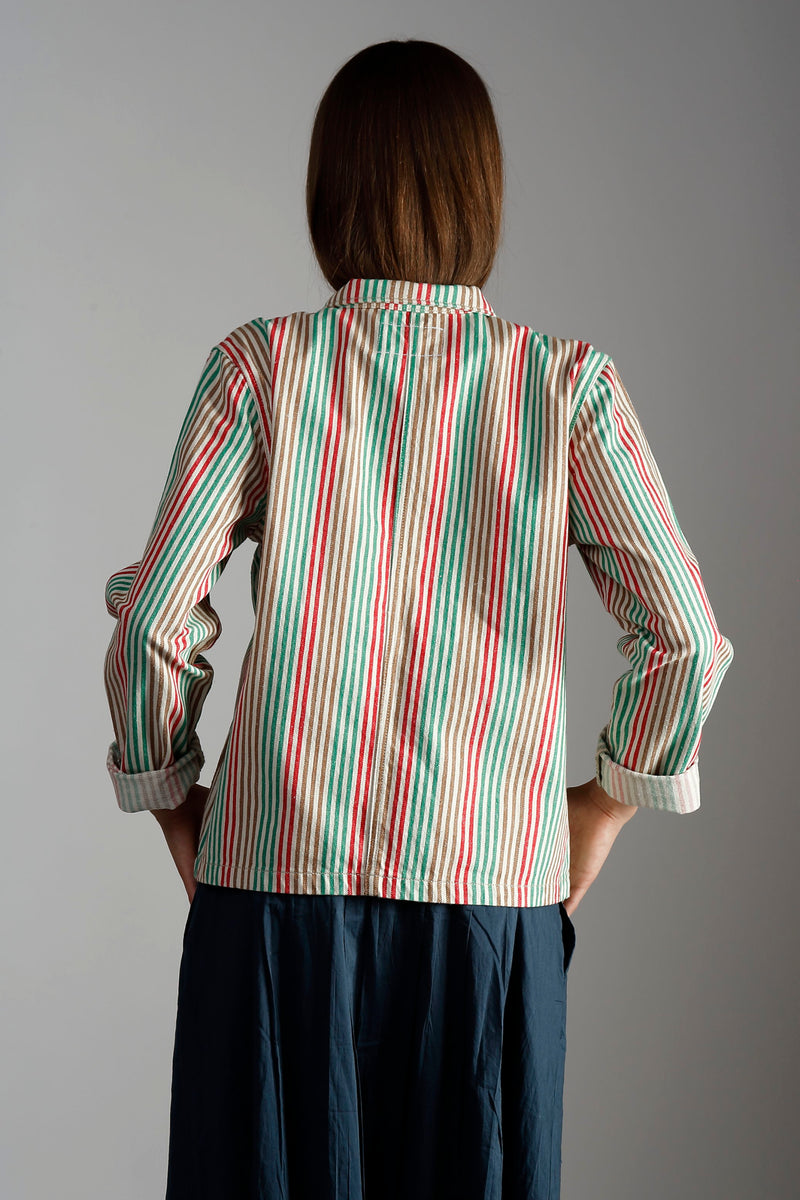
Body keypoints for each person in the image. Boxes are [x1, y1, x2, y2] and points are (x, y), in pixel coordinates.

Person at [102, 38, 734, 1200]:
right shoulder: (564, 386)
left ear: (326, 191)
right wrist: (598, 809)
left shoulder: (259, 368)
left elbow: (154, 622)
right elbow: (682, 635)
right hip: (492, 909)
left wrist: (174, 804)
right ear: (480, 194)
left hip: (272, 899)